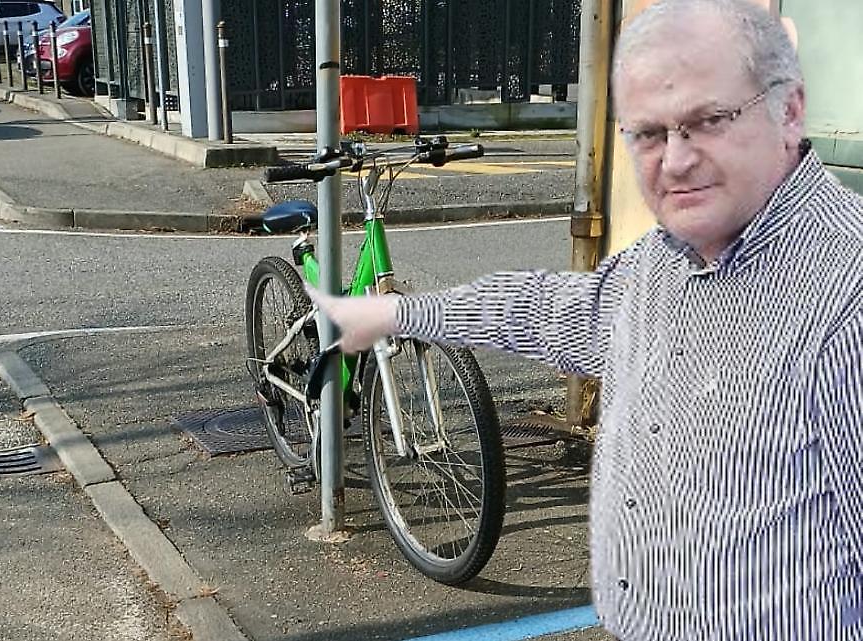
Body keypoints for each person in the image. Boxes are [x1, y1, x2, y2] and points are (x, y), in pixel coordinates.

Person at [308, 0, 863, 638]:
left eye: (709, 120)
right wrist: (405, 313)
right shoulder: (664, 263)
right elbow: (547, 311)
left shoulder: (843, 295)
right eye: (648, 133)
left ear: (787, 108)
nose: (675, 161)